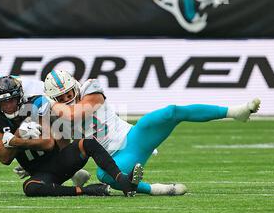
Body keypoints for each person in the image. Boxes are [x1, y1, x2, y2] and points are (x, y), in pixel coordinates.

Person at [43, 70, 262, 196]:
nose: (66, 99)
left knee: (171, 112)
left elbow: (77, 113)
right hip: (117, 158)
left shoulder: (90, 87)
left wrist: (50, 108)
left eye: (68, 93)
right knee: (104, 175)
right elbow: (65, 149)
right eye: (60, 98)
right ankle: (157, 189)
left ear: (75, 85)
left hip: (134, 137)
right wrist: (67, 171)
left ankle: (235, 112)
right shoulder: (59, 116)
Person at [0, 76, 143, 197]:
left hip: (60, 160)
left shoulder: (35, 104)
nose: (9, 105)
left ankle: (123, 181)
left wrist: (15, 141)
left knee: (88, 143)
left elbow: (47, 143)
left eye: (12, 100)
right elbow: (4, 158)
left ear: (19, 97)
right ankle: (87, 190)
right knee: (30, 187)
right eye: (4, 102)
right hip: (42, 174)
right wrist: (19, 135)